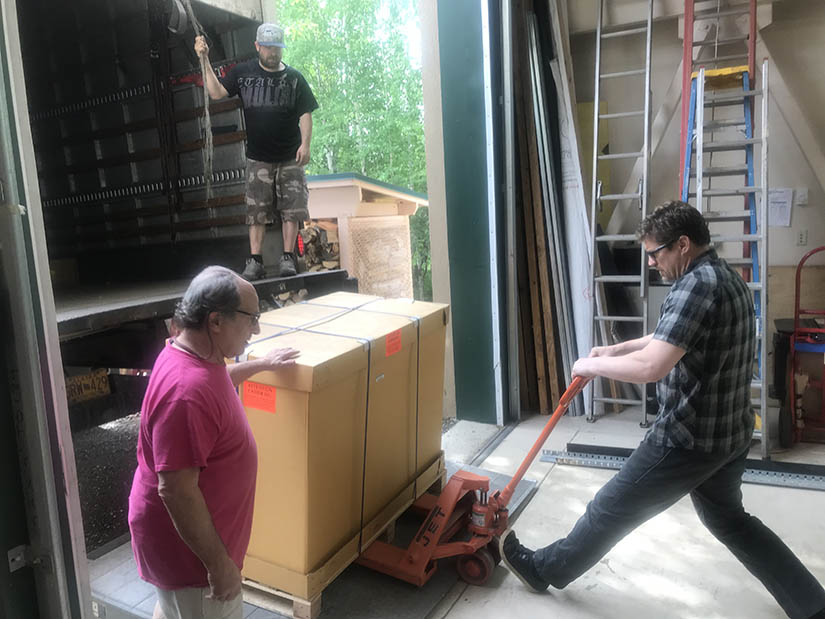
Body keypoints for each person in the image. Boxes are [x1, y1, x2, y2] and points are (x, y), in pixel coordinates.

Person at [500, 201, 825, 619]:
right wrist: (615, 348)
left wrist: (591, 365)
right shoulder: (725, 278)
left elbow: (652, 367)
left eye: (656, 253)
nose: (652, 263)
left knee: (610, 508)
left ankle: (543, 570)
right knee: (731, 522)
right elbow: (668, 335)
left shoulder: (695, 287)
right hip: (730, 434)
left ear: (683, 245)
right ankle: (811, 604)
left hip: (688, 439)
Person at [128, 266, 299, 619]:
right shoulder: (185, 393)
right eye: (251, 318)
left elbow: (215, 383)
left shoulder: (196, 355)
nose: (257, 329)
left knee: (175, 611)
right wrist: (219, 566)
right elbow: (176, 491)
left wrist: (263, 363)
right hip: (192, 564)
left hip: (189, 555)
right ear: (216, 321)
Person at [195, 24, 319, 281]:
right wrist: (204, 58)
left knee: (292, 209)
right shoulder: (243, 73)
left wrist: (305, 144)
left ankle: (288, 258)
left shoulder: (295, 78)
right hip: (258, 157)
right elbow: (216, 92)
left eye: (277, 48)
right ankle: (255, 261)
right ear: (257, 46)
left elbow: (305, 113)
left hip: (289, 157)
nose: (273, 53)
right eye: (268, 48)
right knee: (256, 211)